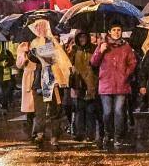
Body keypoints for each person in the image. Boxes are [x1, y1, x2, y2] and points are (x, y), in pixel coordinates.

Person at [91, 21, 137, 147]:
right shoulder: (103, 45)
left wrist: (126, 74)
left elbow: (133, 62)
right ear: (109, 32)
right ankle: (107, 134)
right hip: (106, 84)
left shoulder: (126, 46)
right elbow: (94, 62)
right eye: (114, 30)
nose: (117, 32)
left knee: (119, 112)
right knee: (107, 112)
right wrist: (100, 51)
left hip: (121, 85)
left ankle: (117, 137)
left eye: (119, 30)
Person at [27, 19, 71, 147]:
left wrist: (59, 78)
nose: (40, 29)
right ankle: (39, 133)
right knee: (40, 110)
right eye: (38, 27)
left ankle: (54, 136)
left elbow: (61, 61)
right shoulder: (33, 43)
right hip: (39, 82)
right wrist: (32, 53)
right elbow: (34, 59)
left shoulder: (54, 42)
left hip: (54, 81)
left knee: (55, 111)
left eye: (43, 26)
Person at [68, 32, 98, 142]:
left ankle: (90, 134)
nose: (82, 39)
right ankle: (80, 133)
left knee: (90, 110)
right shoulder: (74, 49)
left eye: (84, 36)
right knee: (79, 109)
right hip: (78, 83)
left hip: (91, 82)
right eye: (80, 37)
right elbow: (69, 64)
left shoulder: (94, 48)